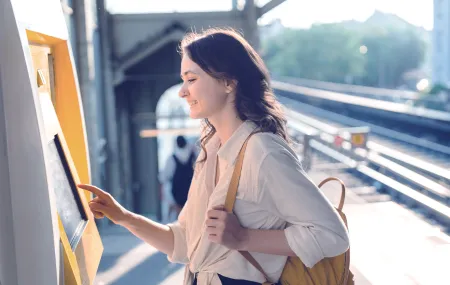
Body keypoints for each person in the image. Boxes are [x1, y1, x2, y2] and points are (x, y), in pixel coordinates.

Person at [78, 28, 349, 285]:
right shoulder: (211, 150)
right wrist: (124, 217)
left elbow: (332, 236)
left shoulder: (262, 151)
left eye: (192, 79)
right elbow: (183, 244)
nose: (183, 91)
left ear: (228, 82)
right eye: (183, 80)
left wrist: (243, 238)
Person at [159, 135, 196, 222]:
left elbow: (164, 177)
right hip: (191, 190)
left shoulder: (172, 158)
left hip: (177, 193)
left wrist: (161, 192)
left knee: (177, 215)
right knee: (191, 215)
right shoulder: (193, 155)